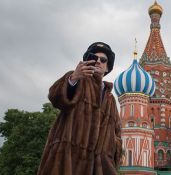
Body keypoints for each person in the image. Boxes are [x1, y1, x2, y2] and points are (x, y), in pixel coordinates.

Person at [37, 42, 122, 175]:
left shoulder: (110, 99)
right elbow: (55, 97)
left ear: (107, 67)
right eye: (94, 58)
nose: (98, 61)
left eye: (103, 60)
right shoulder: (78, 80)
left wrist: (110, 149)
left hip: (98, 166)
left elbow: (117, 131)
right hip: (67, 159)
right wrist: (73, 78)